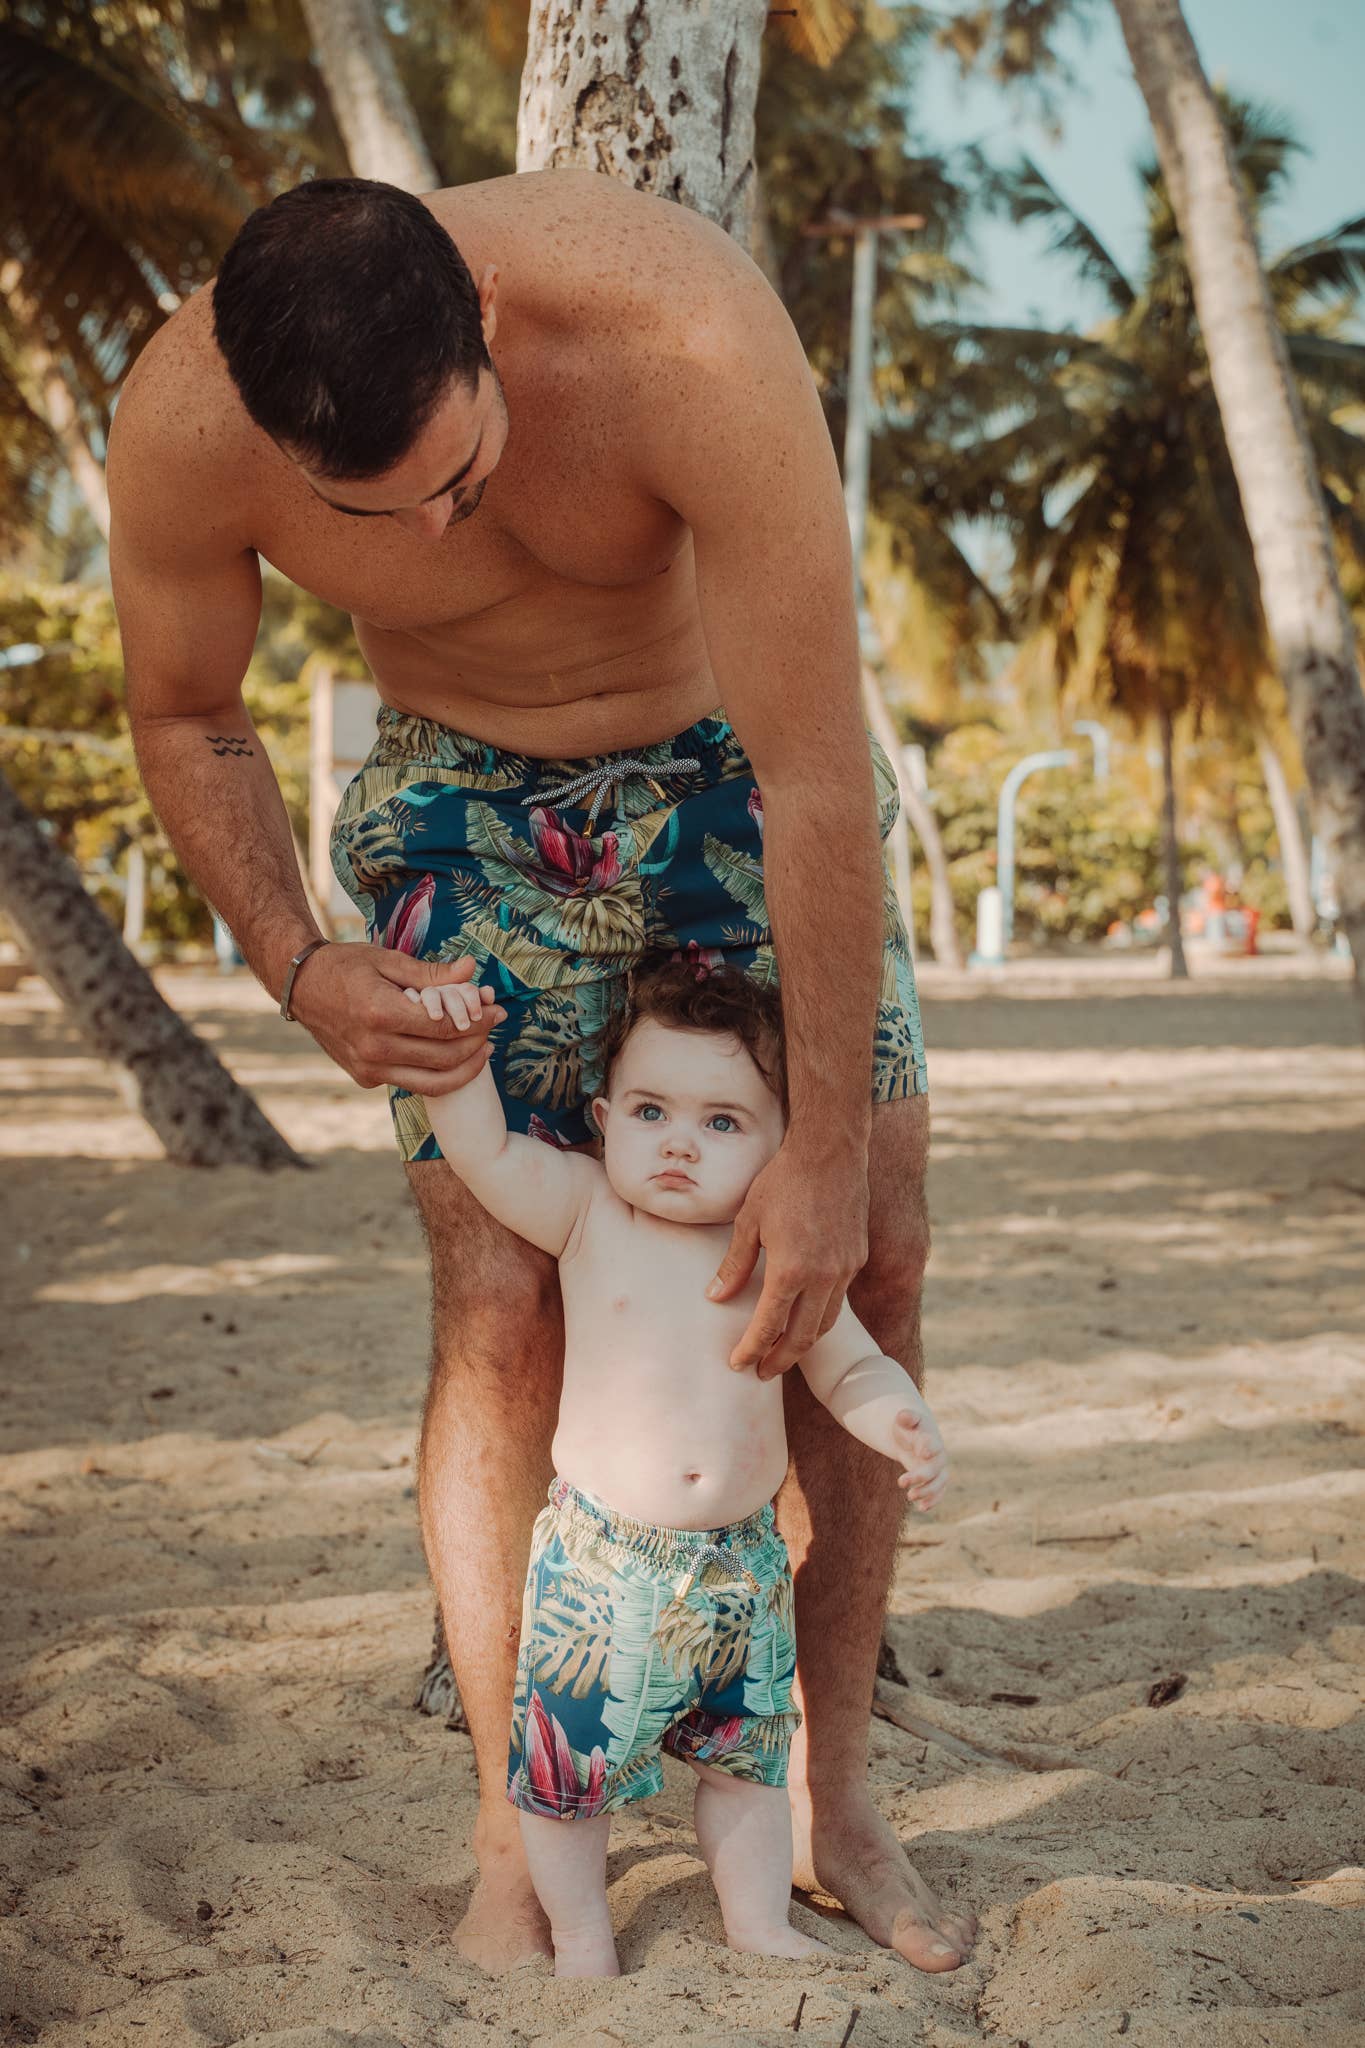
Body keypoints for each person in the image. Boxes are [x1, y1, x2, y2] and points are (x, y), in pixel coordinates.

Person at [107, 169, 974, 1973]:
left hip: (734, 762)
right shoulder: (184, 422)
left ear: (487, 322)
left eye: (464, 473)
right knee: (502, 1302)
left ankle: (831, 1795)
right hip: (459, 792)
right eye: (377, 517)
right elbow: (187, 710)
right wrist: (299, 966)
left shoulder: (686, 337)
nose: (435, 533)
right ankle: (520, 1826)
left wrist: (818, 1145)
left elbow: (818, 773)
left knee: (867, 1257)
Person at [410, 958, 950, 1978]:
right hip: (599, 1569)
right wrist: (457, 1054)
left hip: (742, 1572)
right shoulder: (586, 1210)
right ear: (604, 1118)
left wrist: (903, 1422)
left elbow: (848, 1364)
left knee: (747, 1772)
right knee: (568, 1786)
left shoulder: (774, 1253)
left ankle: (756, 1921)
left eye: (722, 1122)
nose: (677, 1142)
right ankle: (582, 1935)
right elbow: (480, 1148)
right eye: (650, 1110)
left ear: (782, 1150)